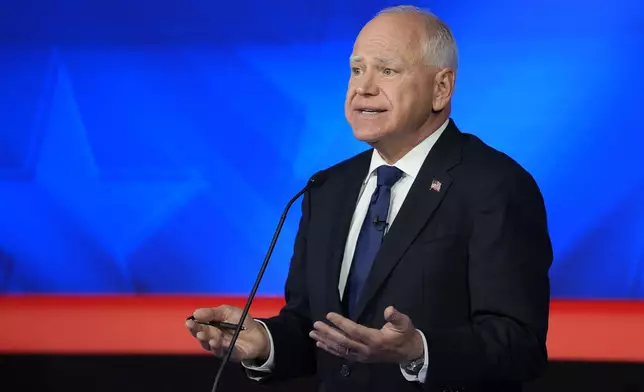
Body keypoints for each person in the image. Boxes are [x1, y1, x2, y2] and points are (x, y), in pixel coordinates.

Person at [186, 5, 553, 392]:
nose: (363, 87)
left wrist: (419, 350)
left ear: (441, 88)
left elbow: (520, 346)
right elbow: (312, 327)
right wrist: (265, 342)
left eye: (388, 70)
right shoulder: (327, 189)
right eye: (357, 69)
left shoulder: (495, 185)